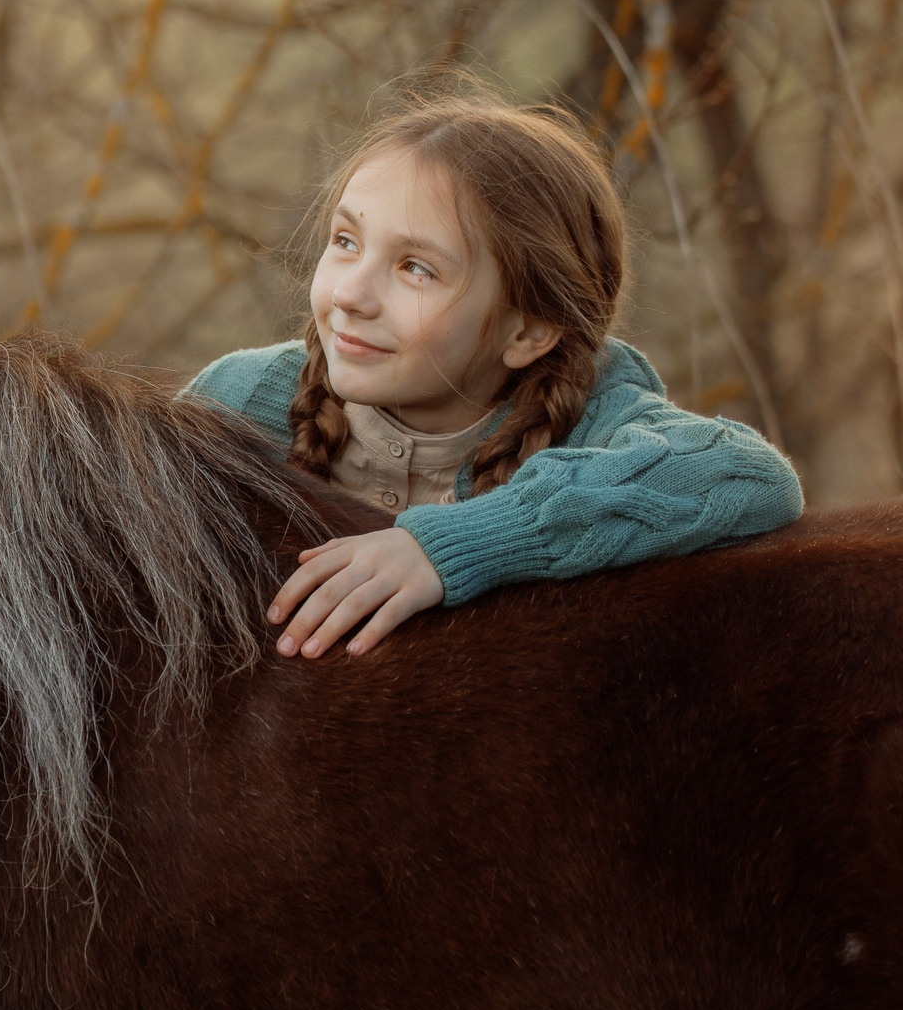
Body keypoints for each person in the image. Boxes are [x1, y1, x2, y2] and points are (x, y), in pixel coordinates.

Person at [187, 91, 802, 660]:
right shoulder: (237, 399)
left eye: (416, 268)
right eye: (346, 240)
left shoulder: (591, 418)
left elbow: (751, 474)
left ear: (527, 331)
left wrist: (454, 544)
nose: (349, 294)